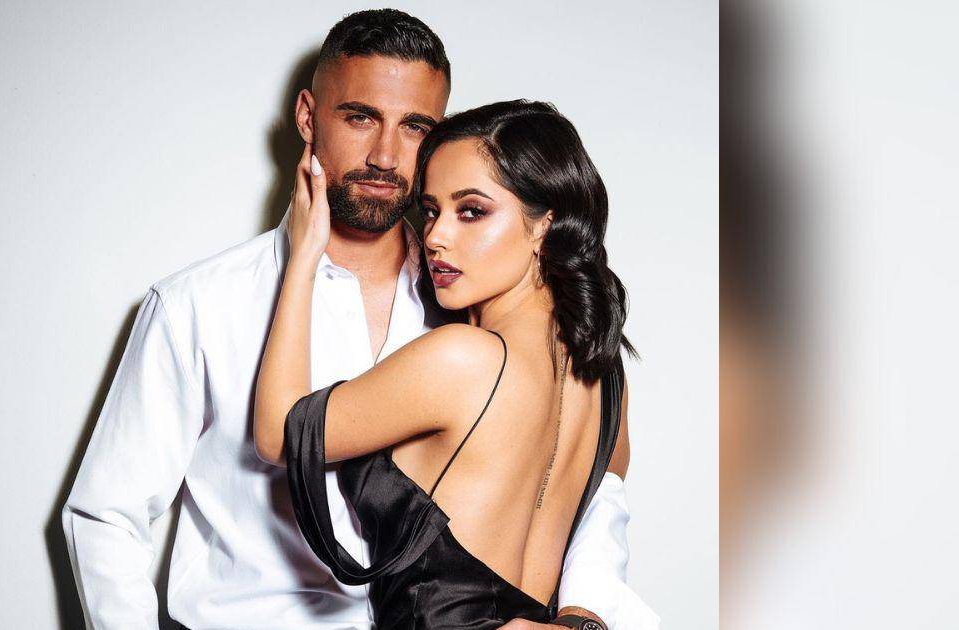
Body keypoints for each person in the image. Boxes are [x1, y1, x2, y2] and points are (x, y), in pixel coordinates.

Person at [64, 10, 658, 630]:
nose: (385, 155)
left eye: (415, 127)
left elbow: (595, 494)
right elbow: (107, 516)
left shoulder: (473, 308)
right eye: (360, 117)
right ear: (307, 117)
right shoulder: (199, 304)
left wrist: (583, 616)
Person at [253, 99, 642, 630]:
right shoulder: (606, 378)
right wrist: (582, 622)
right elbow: (602, 520)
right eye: (431, 210)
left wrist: (303, 257)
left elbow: (279, 434)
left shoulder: (462, 358)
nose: (435, 235)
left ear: (544, 226)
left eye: (472, 211)